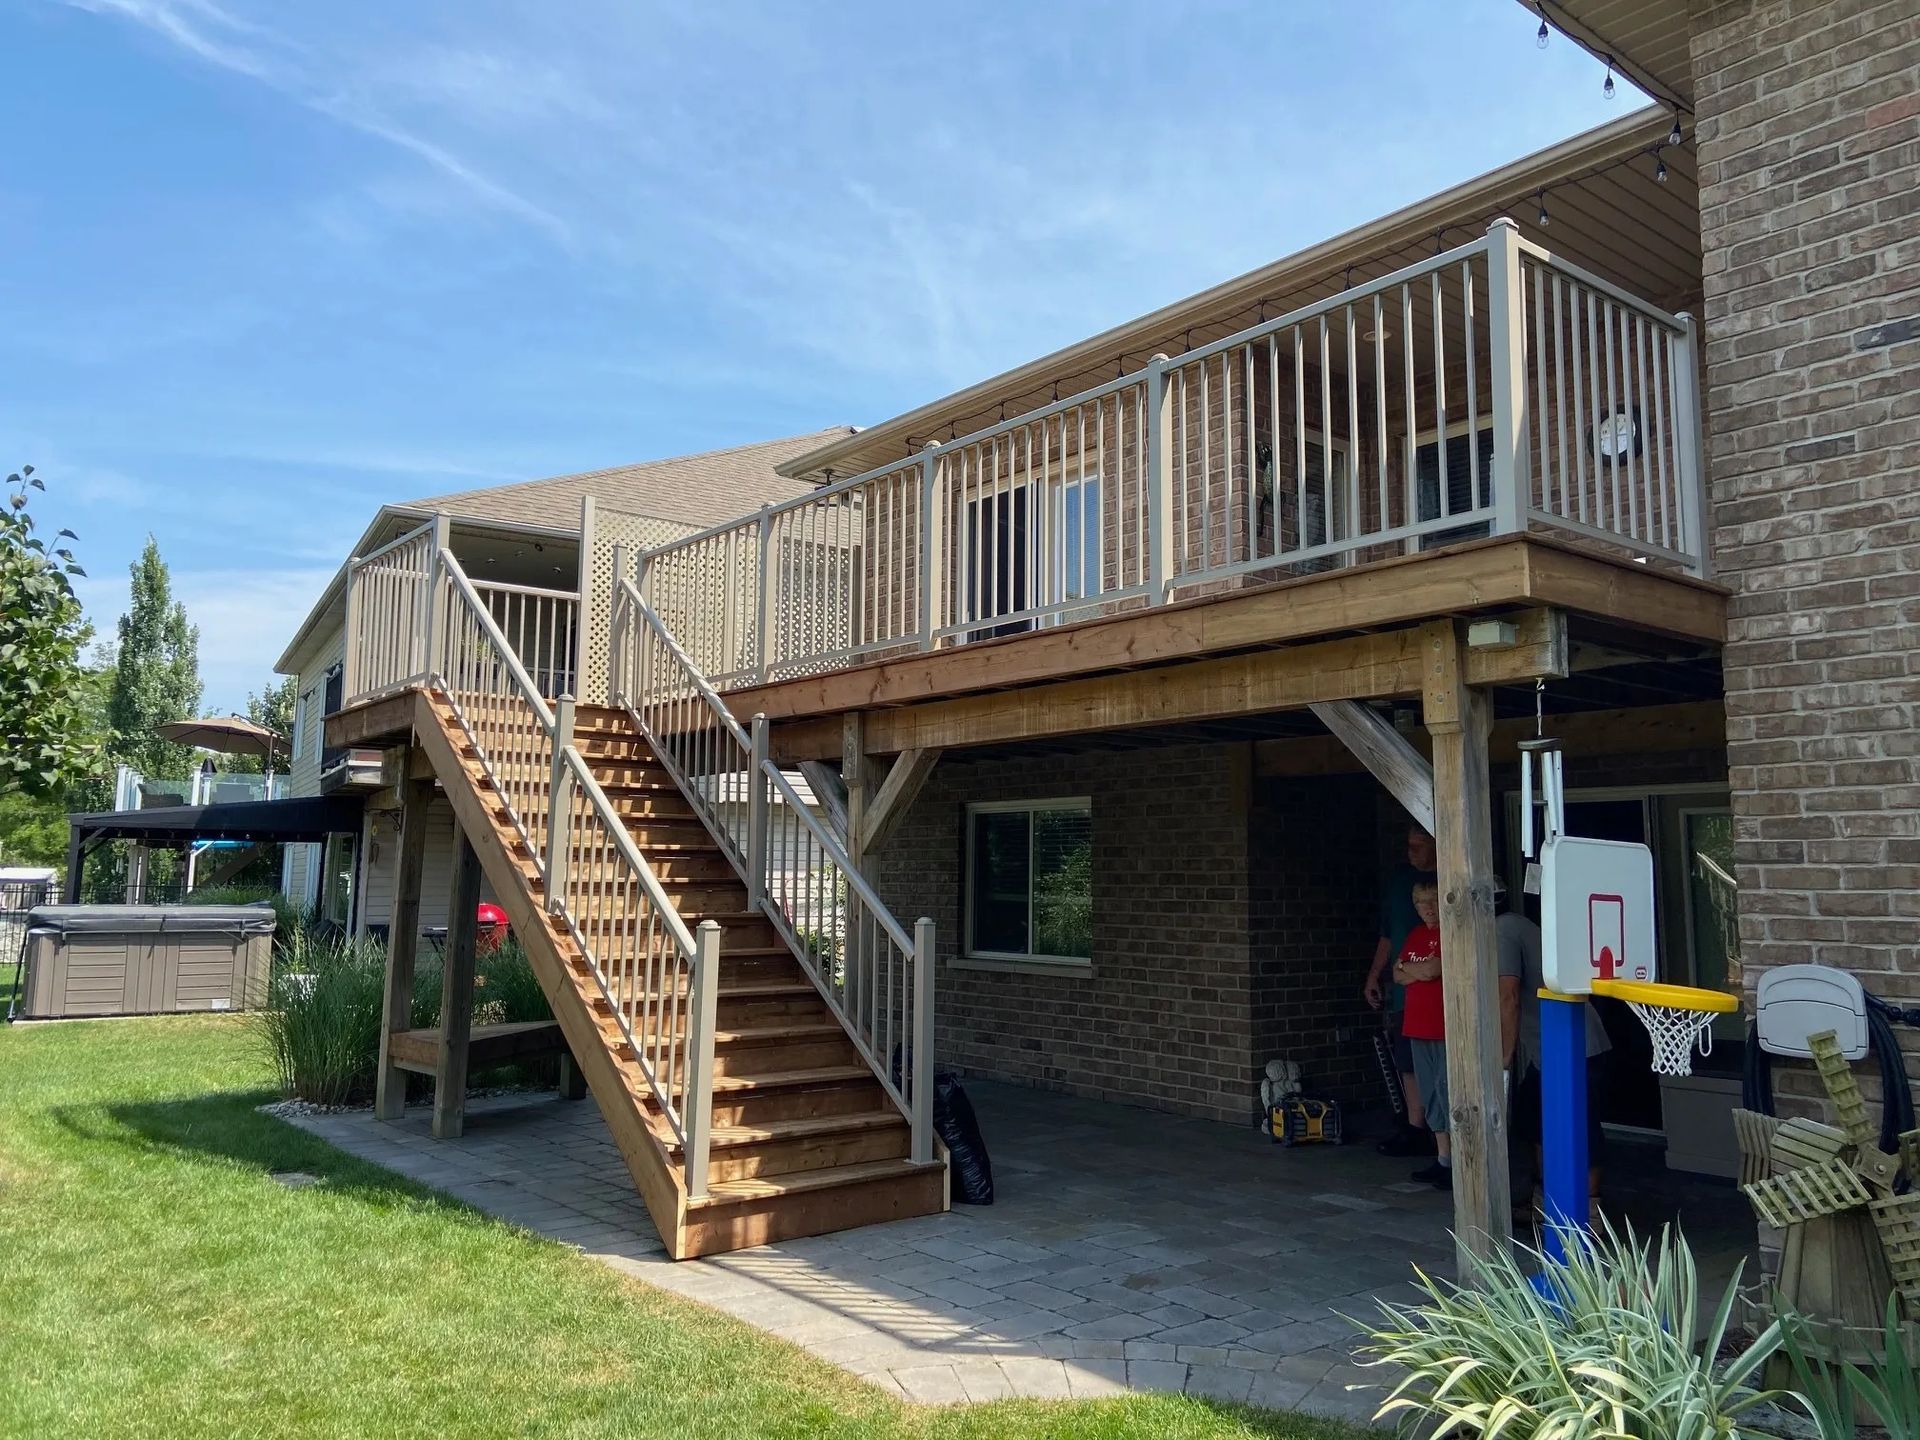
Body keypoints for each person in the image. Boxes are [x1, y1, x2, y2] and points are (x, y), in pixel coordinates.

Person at [1497, 877, 1612, 1225]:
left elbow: (1509, 996)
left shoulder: (1502, 930)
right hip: (1547, 1049)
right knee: (1534, 1121)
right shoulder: (1517, 925)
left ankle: (1589, 1215)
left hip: (1574, 1045)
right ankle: (1545, 1204)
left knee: (1582, 1126)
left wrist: (1504, 1056)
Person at [1364, 821, 1438, 1156]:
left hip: (1438, 998)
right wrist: (1374, 975)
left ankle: (1440, 1136)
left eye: (1418, 846)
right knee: (1406, 1060)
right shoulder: (1399, 883)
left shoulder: (1446, 879)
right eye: (1408, 845)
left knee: (1438, 1066)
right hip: (1403, 992)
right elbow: (1388, 933)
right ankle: (1414, 1126)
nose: (1411, 853)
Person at [1393, 880, 1450, 1186]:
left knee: (1447, 1090)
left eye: (1431, 901)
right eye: (1420, 903)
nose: (1426, 908)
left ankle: (1458, 1161)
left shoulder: (1448, 932)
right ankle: (1442, 1159)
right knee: (1429, 1092)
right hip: (1416, 1026)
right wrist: (1411, 969)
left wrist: (1408, 968)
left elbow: (1430, 971)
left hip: (1442, 1026)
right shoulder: (1416, 935)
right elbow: (1396, 975)